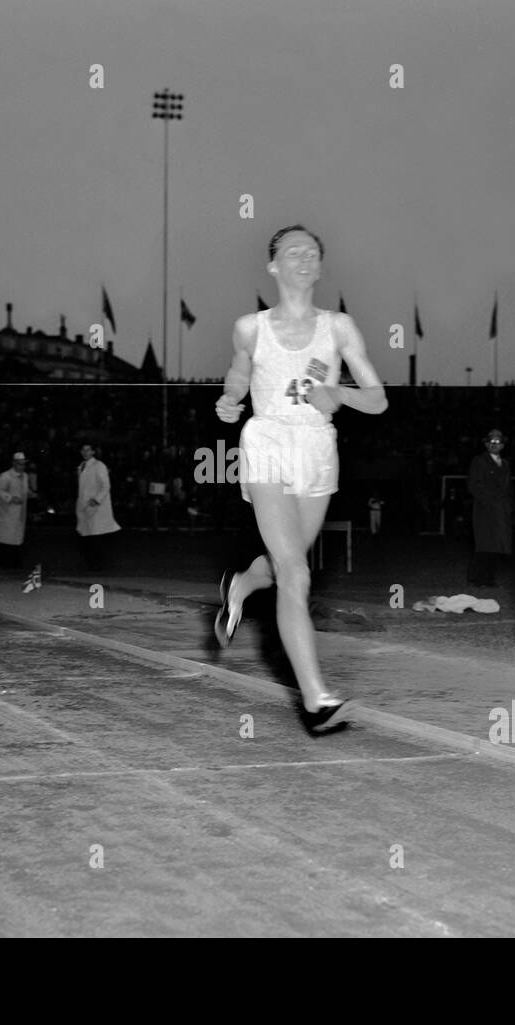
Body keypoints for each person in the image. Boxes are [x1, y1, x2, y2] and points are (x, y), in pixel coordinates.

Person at [214, 224, 387, 734]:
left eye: (313, 252)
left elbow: (378, 399)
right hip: (267, 441)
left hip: (316, 447)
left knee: (282, 568)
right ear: (274, 266)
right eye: (294, 252)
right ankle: (317, 700)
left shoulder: (339, 327)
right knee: (297, 573)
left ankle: (242, 584)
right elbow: (239, 374)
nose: (305, 258)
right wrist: (229, 400)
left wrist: (340, 396)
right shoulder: (250, 326)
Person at [467, 429, 511, 588]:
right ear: (486, 444)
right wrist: (489, 500)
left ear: (503, 445)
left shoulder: (505, 464)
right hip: (484, 509)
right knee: (484, 543)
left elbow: (507, 488)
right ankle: (477, 578)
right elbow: (474, 485)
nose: (494, 444)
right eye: (491, 441)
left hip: (500, 511)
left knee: (497, 544)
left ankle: (489, 578)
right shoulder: (479, 461)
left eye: (498, 442)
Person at [75, 443, 120, 571]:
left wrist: (97, 500)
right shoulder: (81, 467)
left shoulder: (99, 466)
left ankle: (97, 565)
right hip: (85, 506)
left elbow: (106, 486)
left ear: (93, 452)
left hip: (95, 506)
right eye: (83, 450)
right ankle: (92, 564)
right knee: (86, 536)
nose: (85, 452)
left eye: (88, 450)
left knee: (95, 537)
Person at [0, 451, 29, 569]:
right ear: (14, 464)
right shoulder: (5, 476)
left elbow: (24, 490)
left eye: (23, 464)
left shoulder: (25, 476)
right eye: (19, 464)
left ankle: (13, 563)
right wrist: (10, 498)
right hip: (7, 512)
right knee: (5, 539)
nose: (22, 466)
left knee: (15, 539)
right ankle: (5, 564)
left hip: (19, 513)